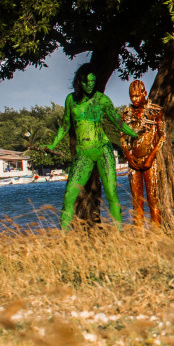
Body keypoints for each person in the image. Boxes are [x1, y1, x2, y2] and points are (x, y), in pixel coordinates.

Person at [49, 64, 138, 230]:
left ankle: (119, 234)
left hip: (102, 149)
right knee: (69, 196)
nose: (90, 85)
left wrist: (134, 134)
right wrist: (52, 144)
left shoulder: (102, 100)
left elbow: (118, 122)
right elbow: (65, 125)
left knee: (111, 193)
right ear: (80, 81)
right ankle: (63, 238)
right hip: (83, 153)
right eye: (87, 82)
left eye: (93, 81)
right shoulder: (71, 100)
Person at [119, 80, 166, 227]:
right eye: (131, 96)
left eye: (137, 96)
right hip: (133, 161)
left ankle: (156, 233)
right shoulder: (126, 113)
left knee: (153, 199)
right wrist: (128, 156)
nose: (134, 99)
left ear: (144, 93)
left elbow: (162, 136)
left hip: (149, 161)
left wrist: (151, 157)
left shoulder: (155, 111)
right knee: (136, 200)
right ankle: (139, 234)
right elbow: (122, 137)